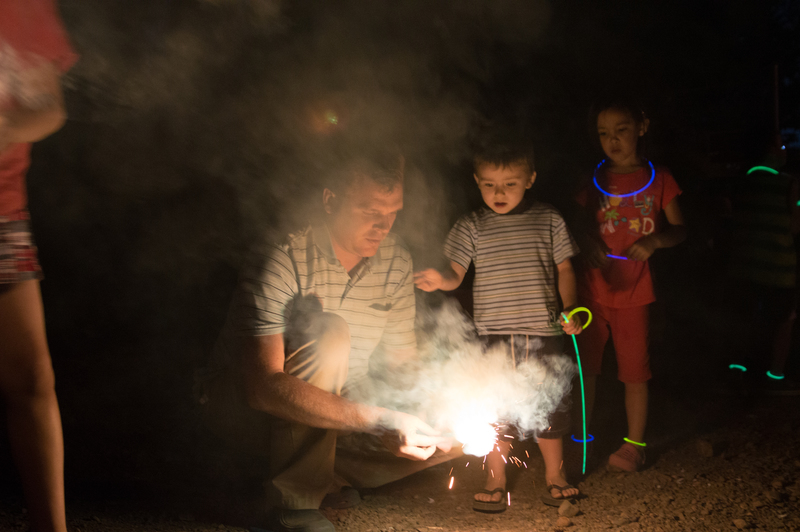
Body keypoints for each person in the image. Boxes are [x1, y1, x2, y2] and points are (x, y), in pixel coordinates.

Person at [200, 146, 457, 532]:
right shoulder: (283, 256)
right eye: (370, 211)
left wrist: (431, 409)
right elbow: (263, 386)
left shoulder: (395, 260)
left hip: (337, 414)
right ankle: (295, 501)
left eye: (393, 213)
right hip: (247, 413)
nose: (383, 225)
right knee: (329, 333)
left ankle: (326, 475)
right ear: (330, 201)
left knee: (456, 433)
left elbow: (403, 365)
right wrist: (377, 420)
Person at [414, 129, 584, 511]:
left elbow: (566, 269)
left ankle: (555, 475)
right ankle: (495, 477)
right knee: (494, 410)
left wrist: (570, 309)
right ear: (477, 181)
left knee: (549, 407)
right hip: (493, 336)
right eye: (489, 184)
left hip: (543, 333)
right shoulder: (471, 225)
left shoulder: (548, 219)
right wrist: (440, 279)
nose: (499, 193)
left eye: (509, 184)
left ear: (530, 179)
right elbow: (456, 272)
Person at [573, 98, 686, 473]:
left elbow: (681, 229)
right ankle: (581, 438)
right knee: (587, 367)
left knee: (635, 371)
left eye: (621, 130)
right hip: (593, 289)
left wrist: (655, 241)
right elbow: (576, 226)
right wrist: (587, 244)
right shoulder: (594, 178)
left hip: (636, 292)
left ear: (642, 127)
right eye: (604, 133)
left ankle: (634, 444)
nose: (612, 140)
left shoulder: (661, 178)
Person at [0, 2, 77, 532]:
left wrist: (3, 124)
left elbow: (48, 108)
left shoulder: (20, 7)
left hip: (1, 212)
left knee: (31, 378)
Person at [726, 129, 800, 393]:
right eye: (781, 146)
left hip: (743, 264)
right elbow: (795, 225)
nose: (785, 151)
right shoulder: (789, 183)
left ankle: (737, 369)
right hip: (778, 268)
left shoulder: (740, 181)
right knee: (783, 321)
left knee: (743, 318)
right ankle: (775, 374)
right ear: (771, 150)